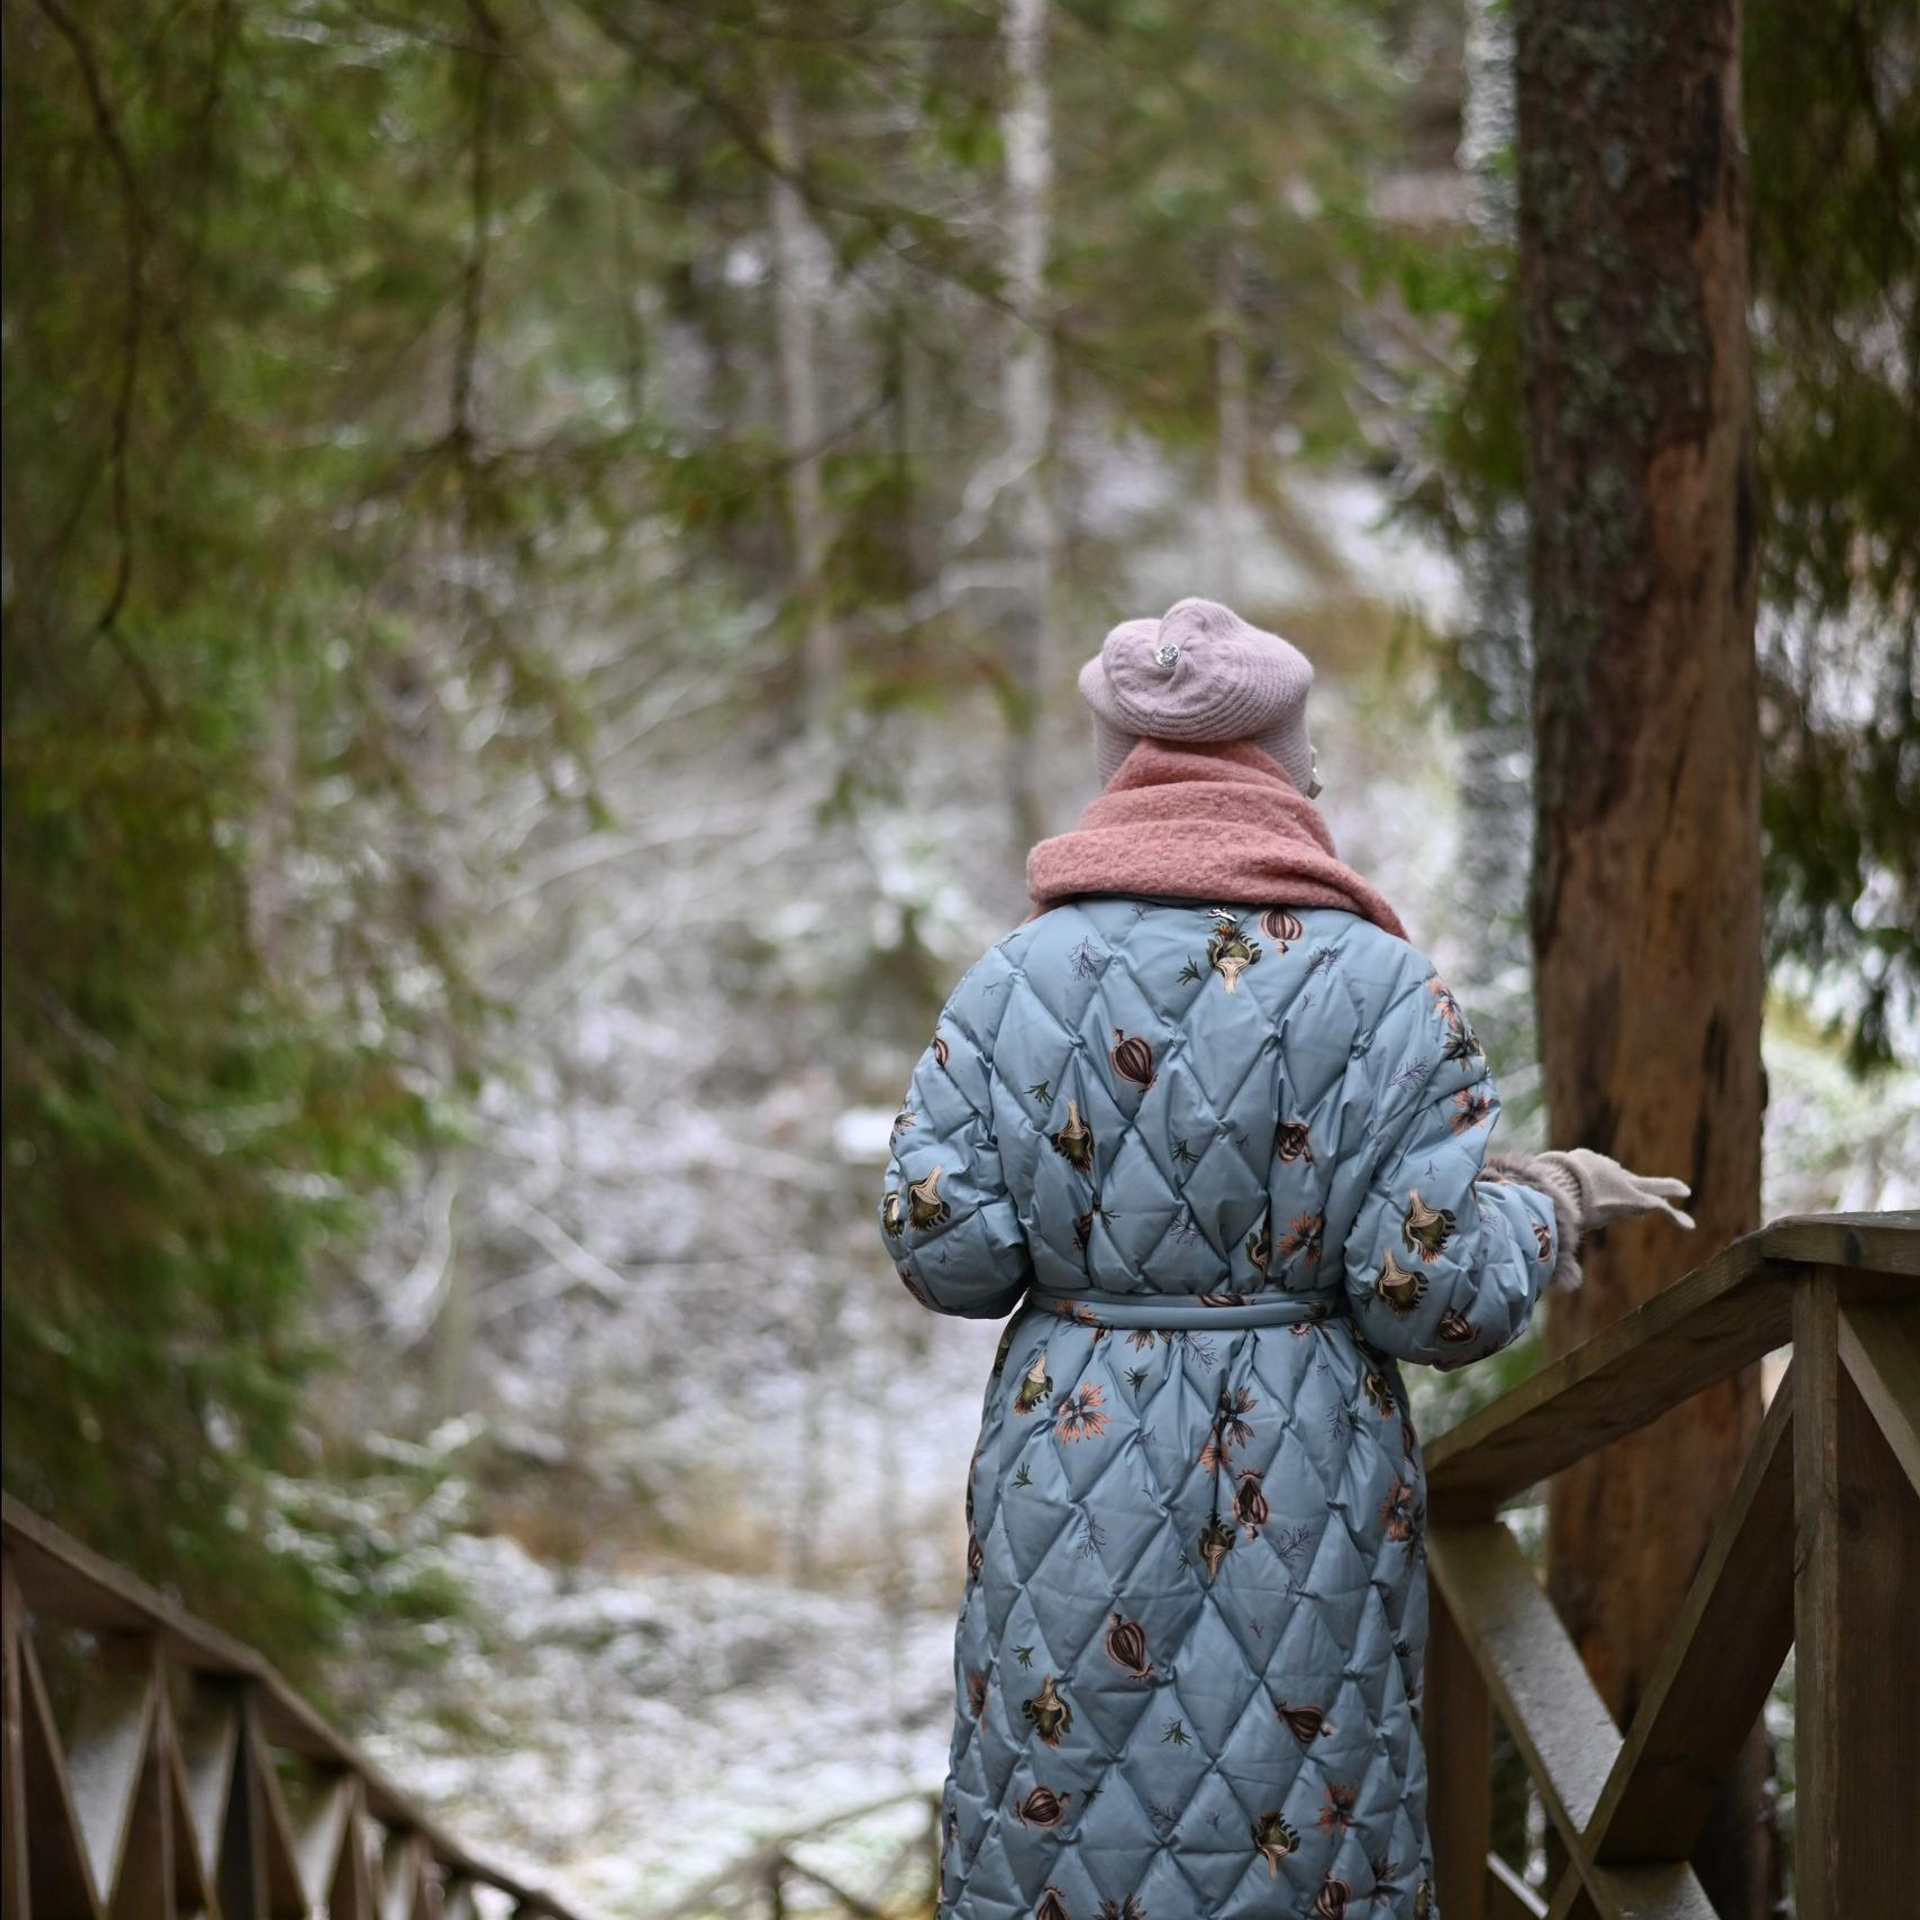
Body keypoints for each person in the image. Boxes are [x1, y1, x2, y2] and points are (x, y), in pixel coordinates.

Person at [878, 599, 1693, 1920]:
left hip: (1070, 1465)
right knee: (1303, 1824)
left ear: (1122, 765)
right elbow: (1427, 1292)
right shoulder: (1384, 985)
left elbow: (949, 1252)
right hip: (1306, 1469)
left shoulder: (1010, 980)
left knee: (1061, 1821)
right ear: (1282, 760)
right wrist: (1550, 1204)